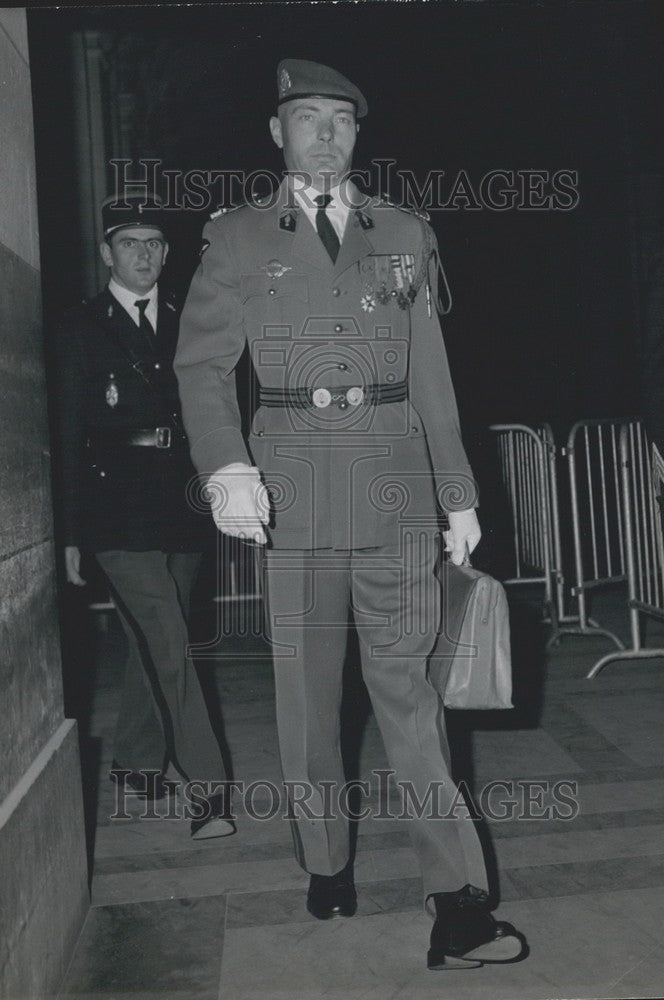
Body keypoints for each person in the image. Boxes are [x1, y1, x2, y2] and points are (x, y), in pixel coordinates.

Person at [175, 59, 527, 966]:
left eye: (341, 120)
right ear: (276, 132)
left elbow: (432, 373)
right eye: (308, 118)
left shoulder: (405, 230)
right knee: (306, 703)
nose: (326, 134)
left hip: (398, 493)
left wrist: (459, 494)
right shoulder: (238, 237)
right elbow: (202, 366)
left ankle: (458, 897)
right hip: (288, 496)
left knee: (409, 698)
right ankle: (325, 860)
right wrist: (226, 466)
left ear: (358, 135)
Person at [54, 193, 233, 839]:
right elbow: (68, 433)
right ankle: (208, 787)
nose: (145, 255)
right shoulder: (78, 328)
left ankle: (135, 763)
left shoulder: (189, 319)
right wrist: (70, 534)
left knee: (156, 638)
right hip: (115, 510)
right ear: (107, 252)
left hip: (181, 503)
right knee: (166, 638)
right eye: (131, 243)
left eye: (155, 244)